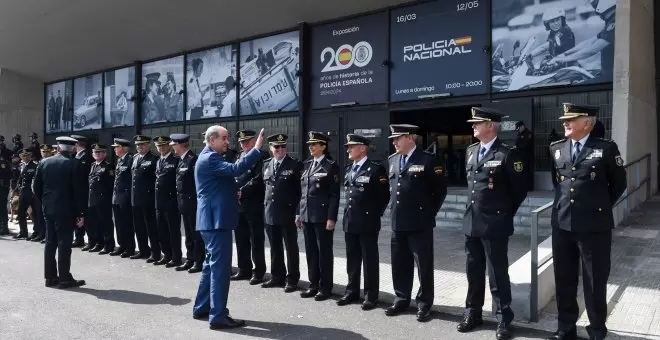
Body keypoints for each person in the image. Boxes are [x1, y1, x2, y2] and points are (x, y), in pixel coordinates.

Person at [546, 103, 626, 340]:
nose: (565, 123)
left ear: (587, 123)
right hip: (562, 224)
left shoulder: (606, 148)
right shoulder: (556, 148)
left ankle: (597, 330)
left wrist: (597, 208)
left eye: (571, 119)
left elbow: (618, 185)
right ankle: (566, 328)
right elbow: (558, 183)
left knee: (594, 280)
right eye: (564, 119)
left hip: (594, 227)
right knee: (564, 278)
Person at [458, 108, 529, 340]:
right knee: (473, 272)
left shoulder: (507, 154)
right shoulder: (470, 151)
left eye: (477, 123)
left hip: (495, 224)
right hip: (472, 223)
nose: (473, 127)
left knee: (497, 274)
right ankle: (473, 313)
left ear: (491, 125)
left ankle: (503, 318)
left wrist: (503, 215)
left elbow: (519, 191)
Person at [192, 125, 265, 329]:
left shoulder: (210, 158)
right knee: (220, 270)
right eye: (224, 138)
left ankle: (202, 307)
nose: (228, 142)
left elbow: (227, 180)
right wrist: (256, 149)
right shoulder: (210, 158)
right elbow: (236, 169)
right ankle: (218, 316)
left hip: (212, 220)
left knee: (210, 266)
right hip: (216, 222)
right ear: (212, 139)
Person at [385, 124, 447, 322]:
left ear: (410, 138)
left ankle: (424, 303)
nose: (394, 142)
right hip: (398, 221)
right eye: (393, 139)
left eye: (398, 138)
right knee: (399, 263)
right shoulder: (393, 160)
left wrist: (427, 214)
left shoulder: (428, 160)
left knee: (423, 265)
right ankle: (401, 298)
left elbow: (439, 191)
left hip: (420, 223)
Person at [337, 134, 389, 310]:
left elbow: (384, 197)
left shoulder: (375, 169)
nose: (348, 149)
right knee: (352, 259)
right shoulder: (349, 169)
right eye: (348, 146)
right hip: (350, 221)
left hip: (367, 222)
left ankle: (370, 296)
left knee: (369, 260)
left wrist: (373, 215)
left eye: (352, 146)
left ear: (363, 148)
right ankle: (352, 291)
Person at [32, 136, 87, 289]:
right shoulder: (75, 164)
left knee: (50, 243)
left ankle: (50, 278)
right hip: (66, 210)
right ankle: (64, 278)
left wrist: (45, 201)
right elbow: (78, 192)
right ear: (73, 148)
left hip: (48, 208)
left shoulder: (44, 162)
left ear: (57, 146)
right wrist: (80, 213)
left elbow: (36, 187)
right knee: (64, 243)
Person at [296, 131, 341, 302]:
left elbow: (334, 195)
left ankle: (325, 287)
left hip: (322, 217)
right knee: (311, 252)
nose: (311, 147)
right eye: (310, 144)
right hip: (307, 215)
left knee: (324, 253)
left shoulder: (331, 166)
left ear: (323, 146)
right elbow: (302, 193)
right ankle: (313, 284)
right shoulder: (306, 165)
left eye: (314, 144)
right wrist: (299, 213)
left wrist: (331, 218)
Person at [261, 133, 302, 292]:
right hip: (270, 212)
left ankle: (292, 279)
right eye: (276, 147)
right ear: (270, 148)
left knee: (291, 248)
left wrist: (298, 212)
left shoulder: (295, 165)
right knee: (274, 247)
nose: (280, 149)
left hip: (288, 213)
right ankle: (277, 276)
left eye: (282, 146)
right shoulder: (266, 164)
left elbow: (300, 192)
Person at [231, 130, 268, 284]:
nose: (244, 144)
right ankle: (243, 269)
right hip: (238, 205)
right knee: (241, 239)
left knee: (256, 239)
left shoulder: (262, 156)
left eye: (247, 141)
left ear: (254, 141)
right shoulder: (238, 156)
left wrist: (242, 191)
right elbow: (234, 175)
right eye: (242, 142)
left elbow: (259, 178)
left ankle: (258, 272)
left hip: (254, 203)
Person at [549, 0, 616, 80]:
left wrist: (563, 59)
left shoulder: (615, 23)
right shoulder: (610, 22)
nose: (594, 9)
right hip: (605, 74)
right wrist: (565, 54)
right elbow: (589, 42)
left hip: (610, 79)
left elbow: (592, 50)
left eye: (594, 5)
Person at [170, 133, 204, 273]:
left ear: (181, 145)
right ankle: (190, 259)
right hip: (183, 202)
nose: (173, 147)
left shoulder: (192, 160)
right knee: (188, 233)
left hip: (192, 202)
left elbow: (196, 183)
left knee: (196, 234)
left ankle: (199, 261)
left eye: (174, 145)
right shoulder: (181, 160)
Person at [130, 135, 161, 262]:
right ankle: (143, 250)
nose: (139, 147)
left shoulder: (154, 158)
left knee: (151, 228)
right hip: (135, 198)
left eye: (142, 144)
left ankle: (155, 253)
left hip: (148, 199)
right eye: (137, 145)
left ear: (148, 145)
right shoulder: (135, 158)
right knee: (139, 227)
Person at [153, 136, 182, 268]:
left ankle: (176, 257)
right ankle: (167, 255)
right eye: (159, 146)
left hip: (171, 202)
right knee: (162, 231)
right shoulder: (158, 160)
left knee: (173, 231)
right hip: (159, 202)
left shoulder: (175, 160)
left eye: (163, 145)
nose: (161, 148)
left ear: (168, 146)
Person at [87, 144, 115, 255]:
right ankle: (99, 243)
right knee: (95, 223)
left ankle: (108, 245)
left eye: (100, 152)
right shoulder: (93, 165)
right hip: (93, 199)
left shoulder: (108, 166)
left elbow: (111, 184)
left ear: (105, 153)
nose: (97, 154)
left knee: (105, 223)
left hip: (104, 199)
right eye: (95, 152)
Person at [110, 138, 135, 258]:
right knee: (118, 224)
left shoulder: (130, 159)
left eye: (116, 147)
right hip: (117, 197)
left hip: (125, 197)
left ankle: (129, 247)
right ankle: (121, 245)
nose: (114, 149)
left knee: (126, 224)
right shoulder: (119, 160)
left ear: (124, 148)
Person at [71, 135, 93, 249]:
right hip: (76, 192)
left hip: (85, 192)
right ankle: (78, 238)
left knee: (86, 216)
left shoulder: (88, 157)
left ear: (77, 144)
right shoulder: (75, 156)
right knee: (77, 214)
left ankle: (90, 240)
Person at [14, 149, 39, 240]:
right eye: (23, 156)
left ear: (30, 156)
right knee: (20, 212)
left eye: (27, 156)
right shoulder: (21, 166)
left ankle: (36, 232)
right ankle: (23, 232)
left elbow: (36, 180)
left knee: (34, 214)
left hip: (31, 192)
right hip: (23, 193)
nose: (25, 158)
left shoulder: (35, 166)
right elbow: (20, 179)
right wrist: (19, 187)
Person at [514, 121, 534, 191]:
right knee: (521, 171)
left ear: (522, 126)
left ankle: (529, 187)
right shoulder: (519, 133)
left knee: (527, 171)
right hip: (520, 156)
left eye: (518, 128)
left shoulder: (528, 133)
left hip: (527, 156)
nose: (518, 130)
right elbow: (517, 143)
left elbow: (524, 144)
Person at [0, 136, 11, 235]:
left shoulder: (3, 161)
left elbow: (6, 174)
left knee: (2, 206)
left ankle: (4, 227)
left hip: (2, 187)